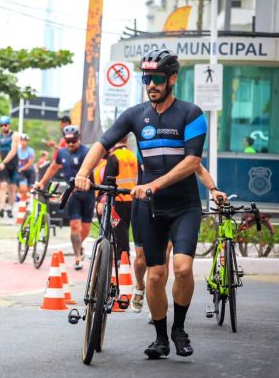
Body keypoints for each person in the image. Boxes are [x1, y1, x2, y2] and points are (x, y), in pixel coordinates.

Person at [73, 49, 207, 359]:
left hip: (183, 204)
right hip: (148, 208)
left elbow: (192, 161)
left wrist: (153, 185)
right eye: (146, 78)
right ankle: (161, 337)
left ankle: (179, 328)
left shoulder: (191, 114)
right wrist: (82, 174)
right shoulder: (136, 114)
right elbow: (101, 144)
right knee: (156, 275)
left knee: (183, 269)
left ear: (172, 79)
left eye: (158, 79)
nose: (151, 85)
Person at [130, 163, 227, 315]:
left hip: (175, 208)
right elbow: (153, 173)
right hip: (146, 205)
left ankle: (157, 299)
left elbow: (199, 168)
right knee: (142, 259)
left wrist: (213, 189)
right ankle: (140, 285)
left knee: (165, 254)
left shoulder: (184, 149)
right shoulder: (148, 145)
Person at [36, 125, 94, 270]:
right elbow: (52, 168)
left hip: (88, 193)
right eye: (67, 141)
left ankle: (79, 246)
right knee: (74, 225)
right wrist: (42, 183)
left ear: (78, 138)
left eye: (73, 141)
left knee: (86, 228)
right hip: (72, 194)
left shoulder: (86, 152)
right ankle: (77, 257)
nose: (70, 144)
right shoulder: (61, 153)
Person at [101, 138, 138, 265]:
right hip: (131, 198)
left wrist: (99, 198)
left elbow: (107, 181)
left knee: (118, 228)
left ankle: (122, 257)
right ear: (127, 139)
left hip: (118, 199)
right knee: (125, 228)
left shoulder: (114, 157)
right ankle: (123, 255)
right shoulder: (132, 156)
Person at [16, 134, 36, 201]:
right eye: (22, 140)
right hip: (21, 172)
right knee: (23, 189)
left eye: (25, 141)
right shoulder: (17, 150)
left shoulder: (30, 150)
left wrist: (22, 168)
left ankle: (28, 202)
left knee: (30, 190)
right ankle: (23, 203)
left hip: (30, 171)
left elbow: (30, 163)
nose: (23, 142)